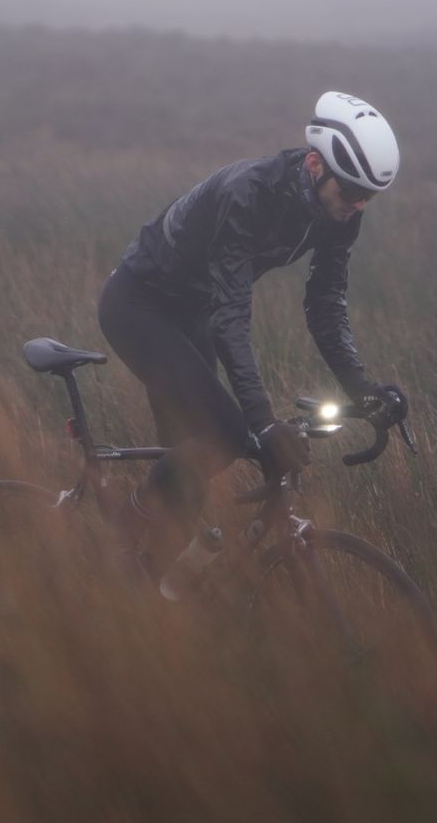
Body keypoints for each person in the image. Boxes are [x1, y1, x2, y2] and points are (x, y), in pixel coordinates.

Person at [97, 90, 406, 580]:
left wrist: (362, 391)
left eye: (369, 196)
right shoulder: (250, 193)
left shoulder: (340, 213)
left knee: (195, 463)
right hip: (139, 304)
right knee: (225, 434)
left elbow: (326, 307)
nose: (358, 205)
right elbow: (231, 317)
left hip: (192, 312)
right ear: (312, 165)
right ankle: (112, 538)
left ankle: (156, 588)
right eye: (350, 192)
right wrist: (261, 422)